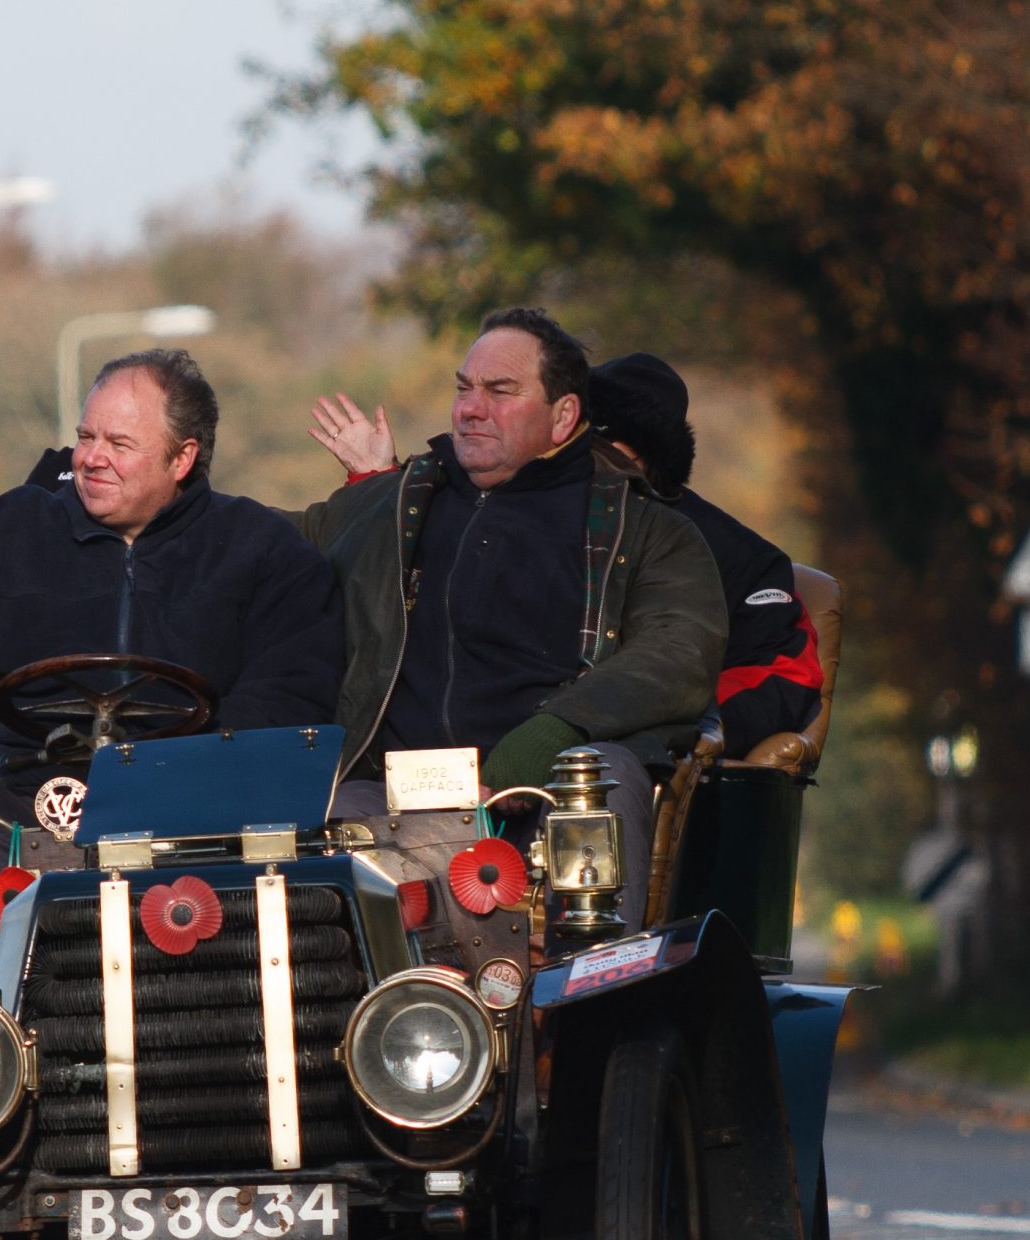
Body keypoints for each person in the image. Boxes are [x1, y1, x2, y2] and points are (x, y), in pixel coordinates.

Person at [0, 348, 343, 962]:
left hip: (199, 806)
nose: (92, 457)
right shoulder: (1, 536)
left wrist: (178, 772)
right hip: (30, 800)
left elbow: (291, 689)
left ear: (182, 457)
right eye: (86, 436)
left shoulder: (262, 552)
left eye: (119, 442)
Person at [299, 308, 729, 922]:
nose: (471, 408)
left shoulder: (651, 530)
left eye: (500, 391)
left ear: (564, 416)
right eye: (463, 388)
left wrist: (550, 738)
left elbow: (680, 651)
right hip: (387, 793)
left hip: (553, 790)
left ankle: (584, 1005)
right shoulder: (386, 506)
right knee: (300, 827)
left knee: (595, 791)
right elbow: (262, 554)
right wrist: (150, 500)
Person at [582, 353, 822, 751]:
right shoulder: (528, 526)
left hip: (658, 764)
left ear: (649, 454)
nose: (592, 464)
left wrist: (675, 721)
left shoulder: (741, 557)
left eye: (608, 448)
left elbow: (784, 672)